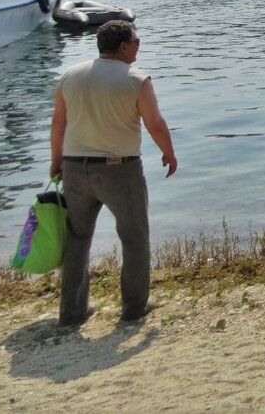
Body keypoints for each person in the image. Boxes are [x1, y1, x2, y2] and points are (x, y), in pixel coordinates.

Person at [50, 20, 178, 327]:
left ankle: (72, 312)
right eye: (136, 40)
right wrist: (169, 153)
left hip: (75, 168)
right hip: (119, 169)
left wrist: (56, 161)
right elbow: (155, 123)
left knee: (77, 239)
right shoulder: (137, 79)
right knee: (134, 237)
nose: (139, 45)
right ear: (123, 45)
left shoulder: (70, 76)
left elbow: (58, 123)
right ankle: (134, 308)